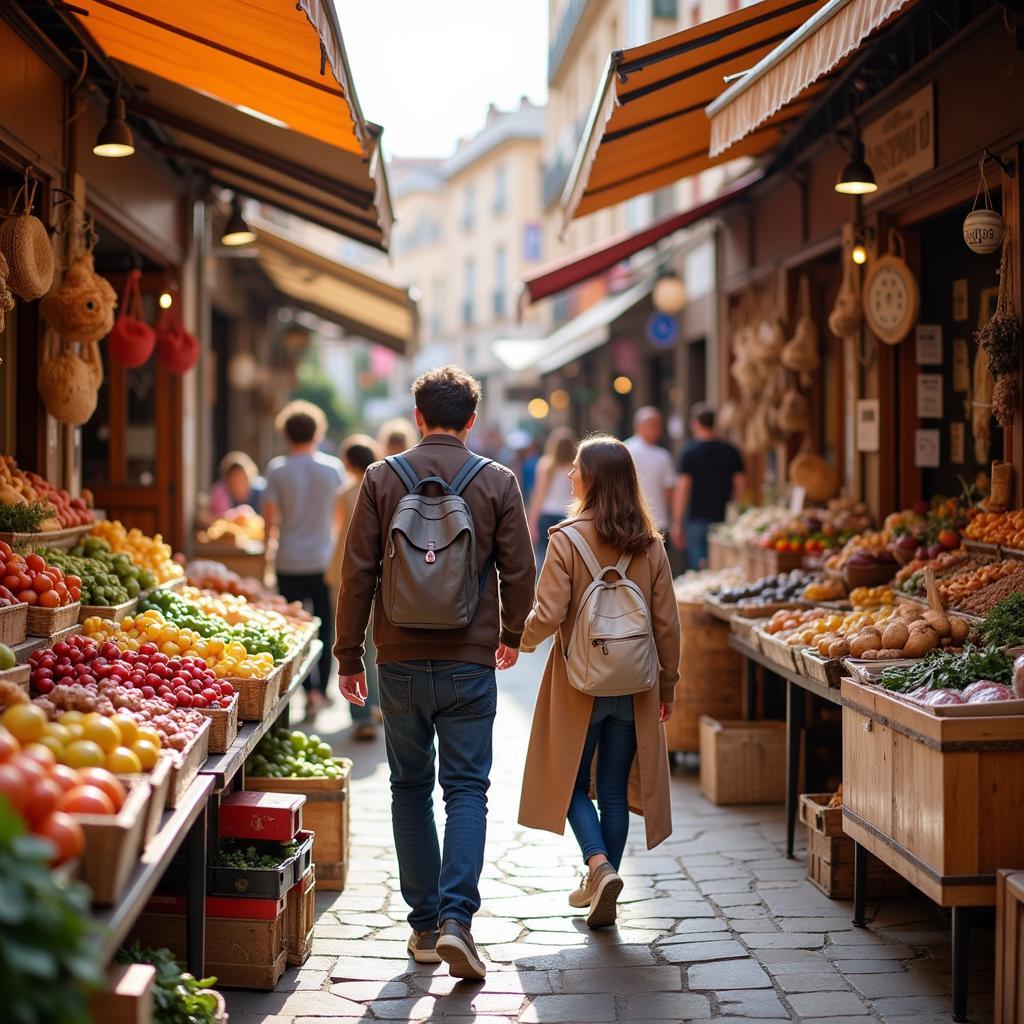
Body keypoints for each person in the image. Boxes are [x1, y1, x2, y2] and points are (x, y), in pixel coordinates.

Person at [335, 365, 535, 980]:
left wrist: (348, 656)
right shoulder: (497, 480)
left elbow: (357, 572)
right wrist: (510, 635)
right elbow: (520, 572)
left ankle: (423, 930)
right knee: (468, 790)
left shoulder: (379, 478)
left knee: (408, 788)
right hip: (468, 660)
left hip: (395, 659)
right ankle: (457, 922)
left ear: (418, 417)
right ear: (471, 420)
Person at [518, 435, 680, 928]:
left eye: (576, 469)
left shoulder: (566, 538)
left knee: (565, 780)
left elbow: (547, 614)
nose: (569, 475)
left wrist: (515, 643)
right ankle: (602, 887)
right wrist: (667, 685)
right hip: (634, 684)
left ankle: (598, 865)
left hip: (578, 684)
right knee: (611, 789)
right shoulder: (649, 543)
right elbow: (668, 622)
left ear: (592, 479)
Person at [263, 401, 345, 714]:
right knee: (324, 626)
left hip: (289, 560)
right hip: (323, 560)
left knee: (291, 626)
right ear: (318, 431)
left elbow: (269, 520)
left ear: (286, 433)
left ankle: (298, 688)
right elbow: (339, 517)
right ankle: (319, 693)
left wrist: (267, 549)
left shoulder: (278, 469)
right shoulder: (332, 469)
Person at [325, 434, 383, 741]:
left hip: (345, 572)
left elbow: (336, 531)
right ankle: (377, 705)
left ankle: (361, 712)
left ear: (348, 463)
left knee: (350, 642)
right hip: (379, 573)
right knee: (376, 644)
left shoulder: (346, 492)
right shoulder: (384, 488)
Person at [670, 403, 746, 570]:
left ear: (695, 424)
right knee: (723, 568)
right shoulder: (731, 450)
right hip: (723, 517)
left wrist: (676, 523)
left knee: (699, 571)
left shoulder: (689, 451)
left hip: (697, 517)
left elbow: (682, 489)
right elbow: (740, 485)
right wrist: (734, 508)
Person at [527, 427, 577, 564]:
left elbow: (538, 496)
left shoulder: (545, 465)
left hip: (546, 514)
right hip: (568, 516)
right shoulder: (575, 467)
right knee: (566, 558)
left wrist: (532, 523)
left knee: (544, 556)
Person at [624, 408, 676, 535]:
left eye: (659, 425)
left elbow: (669, 491)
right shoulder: (624, 451)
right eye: (652, 425)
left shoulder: (663, 455)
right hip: (631, 520)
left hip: (657, 521)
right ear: (638, 426)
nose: (657, 429)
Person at [208, 451, 264, 518]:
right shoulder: (221, 492)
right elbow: (216, 516)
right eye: (234, 478)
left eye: (241, 478)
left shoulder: (260, 491)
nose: (238, 482)